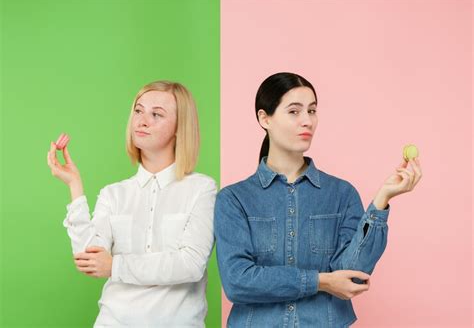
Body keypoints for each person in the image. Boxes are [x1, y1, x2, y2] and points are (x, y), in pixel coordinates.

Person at [214, 72, 422, 327]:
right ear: (264, 118)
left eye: (312, 111)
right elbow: (237, 282)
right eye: (294, 111)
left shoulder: (341, 194)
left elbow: (352, 277)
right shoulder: (234, 199)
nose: (307, 121)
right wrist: (321, 281)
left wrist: (381, 201)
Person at [47, 80, 217, 327]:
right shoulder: (113, 194)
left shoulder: (202, 189)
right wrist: (75, 186)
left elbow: (190, 265)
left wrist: (116, 265)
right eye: (138, 110)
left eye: (156, 114)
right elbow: (89, 259)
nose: (142, 120)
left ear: (181, 127)